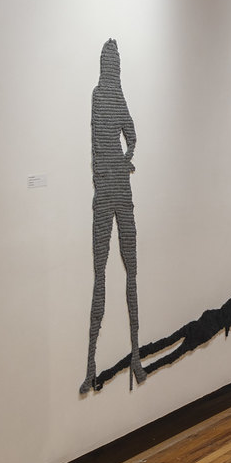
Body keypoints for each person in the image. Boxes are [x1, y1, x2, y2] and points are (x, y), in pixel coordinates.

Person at [84, 38, 145, 394]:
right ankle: (91, 361)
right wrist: (119, 161)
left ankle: (135, 354)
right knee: (102, 274)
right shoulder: (102, 95)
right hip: (109, 190)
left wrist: (121, 161)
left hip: (117, 188)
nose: (113, 67)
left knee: (129, 271)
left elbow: (133, 136)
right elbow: (109, 141)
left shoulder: (112, 97)